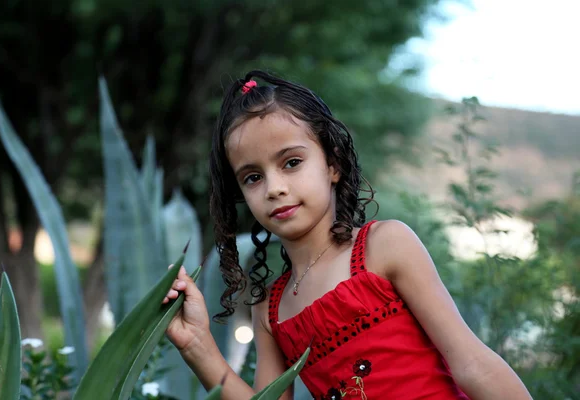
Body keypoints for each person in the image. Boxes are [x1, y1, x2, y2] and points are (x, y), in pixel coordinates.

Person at [162, 70, 531, 399]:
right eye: (253, 177)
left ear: (333, 164)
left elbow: (472, 365)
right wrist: (197, 344)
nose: (274, 187)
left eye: (291, 162)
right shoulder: (270, 312)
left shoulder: (385, 247)